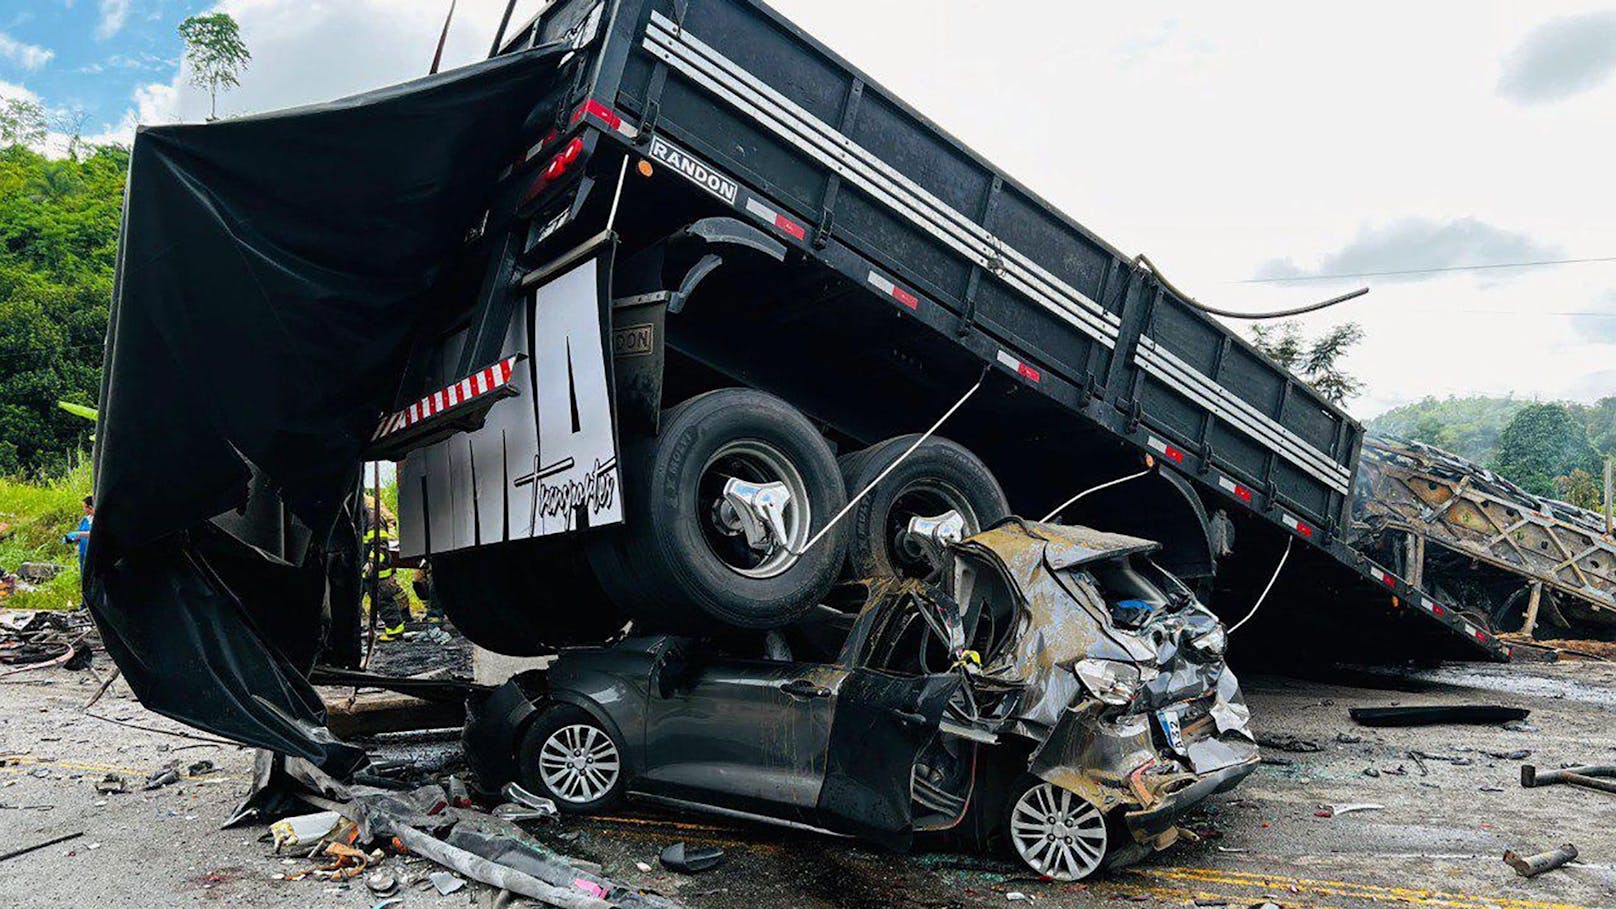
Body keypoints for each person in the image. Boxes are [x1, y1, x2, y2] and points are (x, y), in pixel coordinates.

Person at [361, 494, 409, 643]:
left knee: (383, 599)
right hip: (365, 569)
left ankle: (395, 631)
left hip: (377, 569)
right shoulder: (362, 518)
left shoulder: (373, 519)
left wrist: (371, 565)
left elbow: (380, 546)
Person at [63, 495, 94, 573]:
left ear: (90, 507)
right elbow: (79, 534)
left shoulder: (99, 520)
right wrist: (72, 538)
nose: (84, 509)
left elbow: (95, 533)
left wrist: (79, 534)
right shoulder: (85, 520)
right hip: (83, 551)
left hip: (93, 552)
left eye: (85, 507)